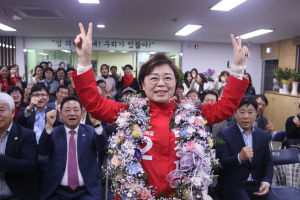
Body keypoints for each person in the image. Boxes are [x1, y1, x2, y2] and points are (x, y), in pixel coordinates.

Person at [72, 23, 250, 197]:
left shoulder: (192, 114)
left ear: (175, 83)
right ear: (142, 83)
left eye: (167, 78)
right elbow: (94, 104)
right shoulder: (127, 112)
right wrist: (84, 61)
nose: (161, 84)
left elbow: (226, 107)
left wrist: (237, 68)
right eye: (154, 78)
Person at [38, 96, 107, 200]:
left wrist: (97, 125)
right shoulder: (54, 132)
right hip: (57, 191)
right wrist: (48, 126)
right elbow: (42, 151)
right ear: (60, 115)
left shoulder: (90, 131)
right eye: (67, 110)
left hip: (86, 191)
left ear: (82, 114)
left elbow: (104, 149)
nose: (72, 113)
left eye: (76, 110)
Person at [216, 96, 277, 200]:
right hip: (233, 185)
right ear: (235, 113)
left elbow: (268, 163)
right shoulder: (224, 134)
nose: (246, 116)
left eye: (250, 112)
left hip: (257, 184)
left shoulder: (262, 135)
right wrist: (239, 157)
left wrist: (266, 182)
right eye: (242, 112)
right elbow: (220, 164)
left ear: (256, 113)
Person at [0, 93, 39, 200]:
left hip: (16, 194)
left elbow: (29, 165)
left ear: (12, 113)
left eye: (1, 110)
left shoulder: (26, 135)